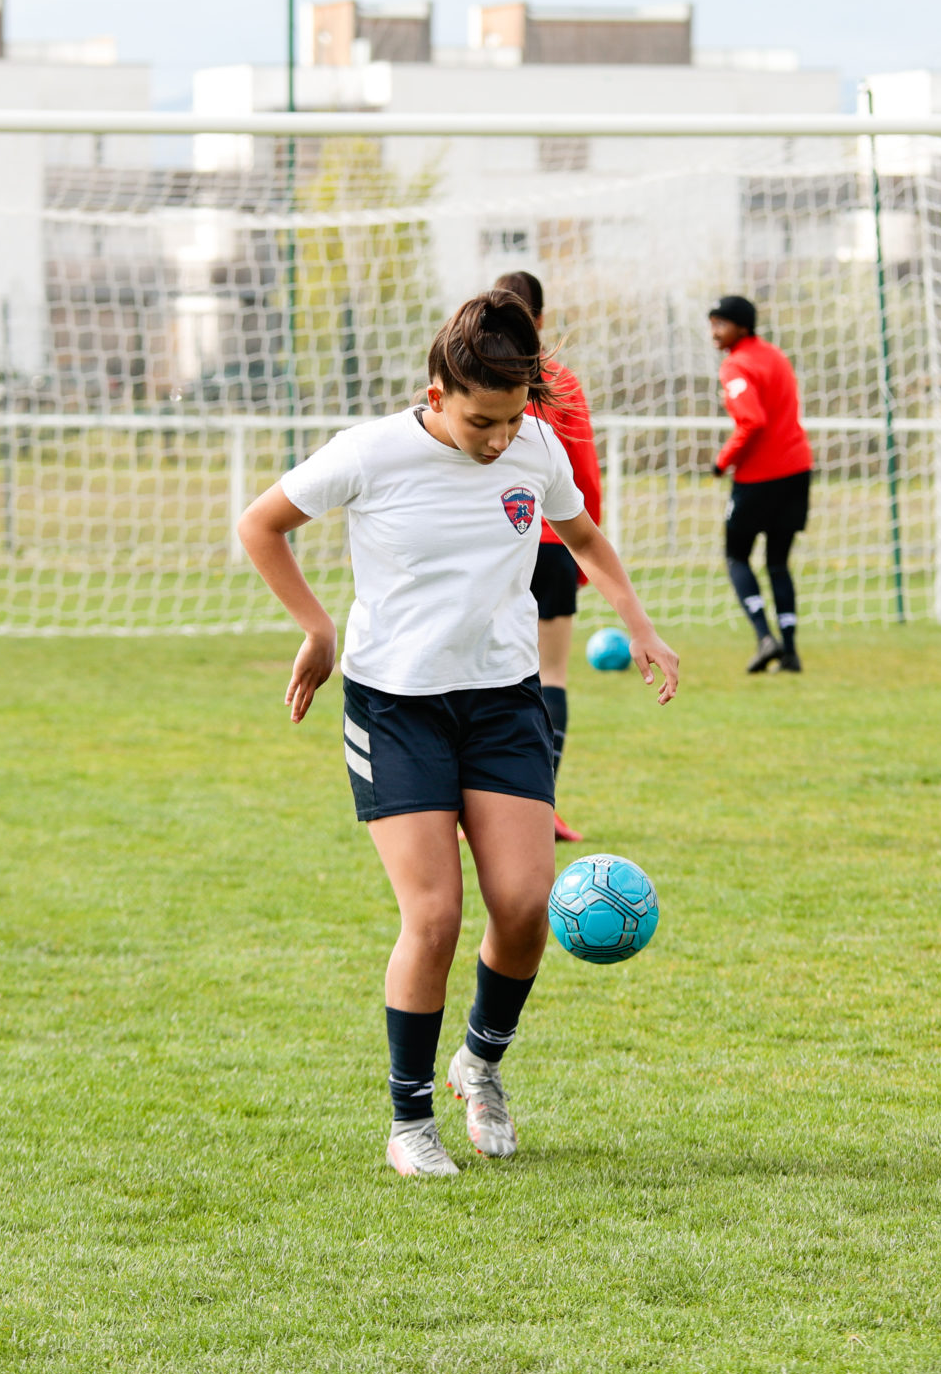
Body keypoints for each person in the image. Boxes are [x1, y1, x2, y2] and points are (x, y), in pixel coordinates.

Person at [236, 291, 680, 1178]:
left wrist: (638, 620)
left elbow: (584, 534)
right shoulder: (372, 451)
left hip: (502, 700)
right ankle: (410, 1121)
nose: (497, 439)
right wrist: (319, 629)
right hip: (396, 705)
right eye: (482, 420)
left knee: (522, 909)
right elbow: (261, 523)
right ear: (436, 391)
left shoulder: (534, 447)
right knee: (434, 915)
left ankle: (479, 1064)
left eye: (512, 420)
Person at [489, 270, 603, 844]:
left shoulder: (472, 372)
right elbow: (583, 476)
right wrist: (586, 557)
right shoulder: (559, 380)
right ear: (539, 320)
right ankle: (542, 808)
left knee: (486, 674)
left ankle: (476, 809)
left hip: (494, 549)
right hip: (555, 544)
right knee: (549, 674)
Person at [707, 294, 810, 673]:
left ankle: (765, 638)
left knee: (736, 555)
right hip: (797, 468)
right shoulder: (776, 356)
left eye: (720, 323)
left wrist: (722, 461)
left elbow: (752, 421)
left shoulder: (736, 366)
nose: (714, 331)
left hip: (759, 476)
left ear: (742, 327)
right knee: (778, 563)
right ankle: (791, 652)